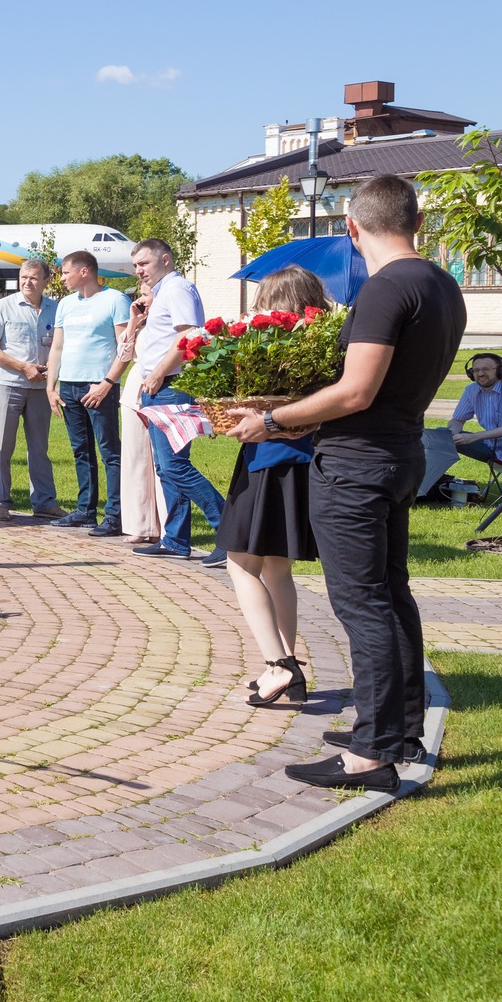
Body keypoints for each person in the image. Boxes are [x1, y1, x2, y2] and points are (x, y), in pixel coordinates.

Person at [225, 176, 466, 792]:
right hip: (400, 455)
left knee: (364, 605)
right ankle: (399, 732)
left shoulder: (386, 288)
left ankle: (372, 754)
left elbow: (355, 391)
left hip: (356, 467)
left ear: (352, 228)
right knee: (391, 596)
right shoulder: (442, 284)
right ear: (417, 222)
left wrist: (272, 420)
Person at [215, 268, 329, 710]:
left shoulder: (273, 344)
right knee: (278, 569)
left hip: (268, 459)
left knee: (240, 564)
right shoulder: (323, 342)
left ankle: (278, 664)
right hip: (303, 463)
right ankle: (289, 668)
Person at [132, 239, 226, 567]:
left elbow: (189, 337)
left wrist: (158, 373)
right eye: (136, 265)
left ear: (165, 259)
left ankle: (229, 531)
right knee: (166, 468)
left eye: (144, 263)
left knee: (175, 466)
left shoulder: (177, 288)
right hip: (158, 386)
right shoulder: (162, 293)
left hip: (171, 386)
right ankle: (175, 540)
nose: (139, 270)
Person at [45, 251, 132, 537]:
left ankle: (115, 516)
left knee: (110, 452)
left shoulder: (116, 300)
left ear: (84, 271)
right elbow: (57, 347)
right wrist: (51, 387)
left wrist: (107, 383)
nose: (61, 278)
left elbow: (125, 348)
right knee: (81, 451)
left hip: (99, 387)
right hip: (69, 387)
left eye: (65, 272)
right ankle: (85, 511)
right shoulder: (66, 304)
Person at [0, 259, 60, 522]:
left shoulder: (56, 309)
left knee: (39, 448)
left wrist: (51, 371)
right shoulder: (4, 306)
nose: (27, 282)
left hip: (40, 388)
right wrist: (23, 367)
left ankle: (44, 502)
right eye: (24, 277)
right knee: (1, 447)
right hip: (7, 385)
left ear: (46, 280)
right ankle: (0, 503)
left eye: (33, 277)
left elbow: (60, 346)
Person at [116, 282, 163, 545]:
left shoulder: (166, 323)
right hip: (134, 388)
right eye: (140, 295)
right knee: (135, 458)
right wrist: (133, 322)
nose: (141, 300)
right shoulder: (141, 323)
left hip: (158, 386)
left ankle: (166, 526)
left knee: (161, 461)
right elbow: (123, 354)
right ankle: (140, 524)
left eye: (146, 295)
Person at [446, 353, 502, 493]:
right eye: (476, 370)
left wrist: (475, 436)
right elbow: (457, 420)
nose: (480, 374)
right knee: (441, 435)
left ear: (500, 371)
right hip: (489, 447)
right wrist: (452, 433)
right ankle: (427, 486)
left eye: (486, 369)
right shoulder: (471, 390)